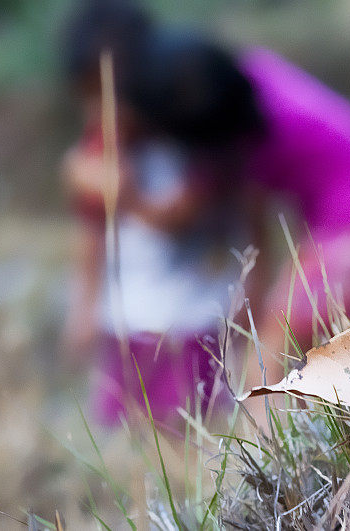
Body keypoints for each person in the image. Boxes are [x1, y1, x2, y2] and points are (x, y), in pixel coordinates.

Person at [128, 32, 350, 399]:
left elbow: (240, 239)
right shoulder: (246, 78)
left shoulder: (250, 139)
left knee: (269, 358)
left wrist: (125, 197)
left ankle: (269, 448)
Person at [61, 2, 243, 426]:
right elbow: (90, 228)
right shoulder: (100, 148)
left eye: (115, 96)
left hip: (199, 321)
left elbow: (179, 217)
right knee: (130, 439)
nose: (104, 111)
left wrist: (122, 193)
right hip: (129, 325)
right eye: (92, 98)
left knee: (200, 432)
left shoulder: (196, 125)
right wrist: (84, 306)